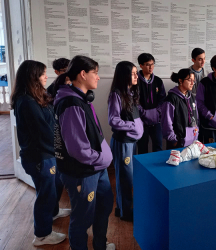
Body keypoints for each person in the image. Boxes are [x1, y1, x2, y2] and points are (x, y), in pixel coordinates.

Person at [53, 55, 115, 250]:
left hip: (97, 169)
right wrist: (103, 158)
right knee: (82, 219)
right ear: (82, 74)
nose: (98, 77)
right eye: (95, 73)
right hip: (83, 172)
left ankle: (100, 246)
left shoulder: (82, 99)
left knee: (103, 207)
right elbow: (78, 149)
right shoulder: (71, 104)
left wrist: (103, 160)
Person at [11, 60, 68, 247]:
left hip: (47, 154)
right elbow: (43, 131)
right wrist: (61, 149)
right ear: (33, 76)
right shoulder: (26, 101)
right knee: (46, 194)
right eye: (43, 73)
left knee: (54, 186)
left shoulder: (37, 96)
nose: (46, 76)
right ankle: (42, 235)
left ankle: (52, 213)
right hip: (40, 157)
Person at [108, 61, 143, 221]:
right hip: (123, 143)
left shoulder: (130, 92)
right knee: (125, 179)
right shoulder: (116, 94)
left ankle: (122, 207)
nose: (137, 75)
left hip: (132, 142)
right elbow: (113, 120)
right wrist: (133, 125)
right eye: (133, 73)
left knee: (129, 177)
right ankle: (126, 212)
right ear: (124, 75)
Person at [161, 68, 199, 149]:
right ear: (180, 81)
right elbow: (167, 123)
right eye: (189, 80)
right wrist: (174, 141)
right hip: (177, 143)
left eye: (193, 80)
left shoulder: (191, 96)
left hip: (192, 141)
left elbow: (196, 117)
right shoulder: (171, 99)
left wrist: (196, 132)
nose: (192, 83)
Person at [136, 53, 166, 154]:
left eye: (152, 64)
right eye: (148, 64)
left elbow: (163, 99)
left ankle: (156, 169)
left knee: (158, 146)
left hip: (156, 121)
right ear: (141, 65)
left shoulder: (158, 81)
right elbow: (134, 101)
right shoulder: (135, 81)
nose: (151, 67)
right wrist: (143, 113)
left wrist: (157, 111)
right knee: (142, 148)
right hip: (141, 121)